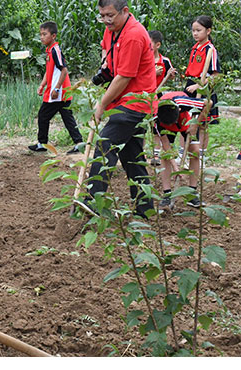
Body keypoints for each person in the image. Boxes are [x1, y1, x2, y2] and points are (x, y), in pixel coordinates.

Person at [74, 0, 156, 219]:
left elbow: (125, 77)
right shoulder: (112, 30)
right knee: (132, 157)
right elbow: (106, 51)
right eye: (102, 15)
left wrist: (101, 105)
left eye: (110, 15)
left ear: (125, 11)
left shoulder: (134, 35)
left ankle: (93, 201)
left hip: (136, 102)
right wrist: (104, 69)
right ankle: (145, 209)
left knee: (105, 145)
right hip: (122, 101)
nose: (106, 20)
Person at [28, 21, 83, 154]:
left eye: (44, 34)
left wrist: (57, 88)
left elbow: (64, 70)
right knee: (67, 117)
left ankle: (42, 143)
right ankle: (79, 143)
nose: (41, 37)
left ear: (53, 36)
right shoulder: (50, 51)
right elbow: (49, 70)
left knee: (43, 115)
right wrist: (42, 85)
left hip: (58, 93)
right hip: (59, 92)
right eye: (40, 34)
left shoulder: (55, 50)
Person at [155, 91, 208, 209]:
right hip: (165, 128)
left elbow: (208, 103)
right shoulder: (156, 118)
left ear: (178, 110)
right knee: (164, 156)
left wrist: (195, 125)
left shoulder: (182, 102)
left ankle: (192, 192)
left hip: (186, 122)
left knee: (195, 152)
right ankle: (167, 194)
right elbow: (165, 145)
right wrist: (176, 168)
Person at [184, 15, 220, 161]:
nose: (195, 33)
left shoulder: (210, 50)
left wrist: (200, 85)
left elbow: (216, 75)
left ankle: (202, 154)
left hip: (203, 89)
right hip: (190, 87)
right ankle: (184, 151)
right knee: (187, 119)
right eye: (193, 30)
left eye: (198, 30)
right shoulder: (195, 48)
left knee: (203, 123)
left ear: (208, 31)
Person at [148, 30, 176, 166]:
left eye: (150, 44)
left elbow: (171, 74)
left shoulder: (165, 61)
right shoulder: (144, 61)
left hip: (159, 96)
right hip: (146, 95)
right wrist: (153, 73)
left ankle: (157, 153)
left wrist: (171, 75)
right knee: (147, 125)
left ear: (157, 45)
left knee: (157, 124)